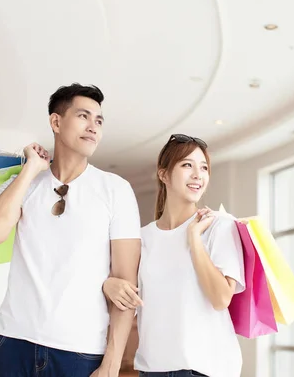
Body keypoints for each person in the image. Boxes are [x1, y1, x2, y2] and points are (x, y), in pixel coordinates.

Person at [0, 83, 141, 377]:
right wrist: (30, 169)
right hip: (12, 342)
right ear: (56, 121)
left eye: (99, 120)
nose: (93, 127)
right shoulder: (22, 185)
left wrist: (112, 365)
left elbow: (125, 285)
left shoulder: (116, 190)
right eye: (83, 116)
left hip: (79, 351)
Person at [103, 134, 245, 377]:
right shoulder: (142, 238)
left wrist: (194, 240)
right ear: (163, 174)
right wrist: (109, 285)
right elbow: (127, 302)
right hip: (152, 369)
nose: (198, 175)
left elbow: (221, 298)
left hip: (204, 369)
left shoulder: (219, 225)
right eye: (187, 165)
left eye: (204, 168)